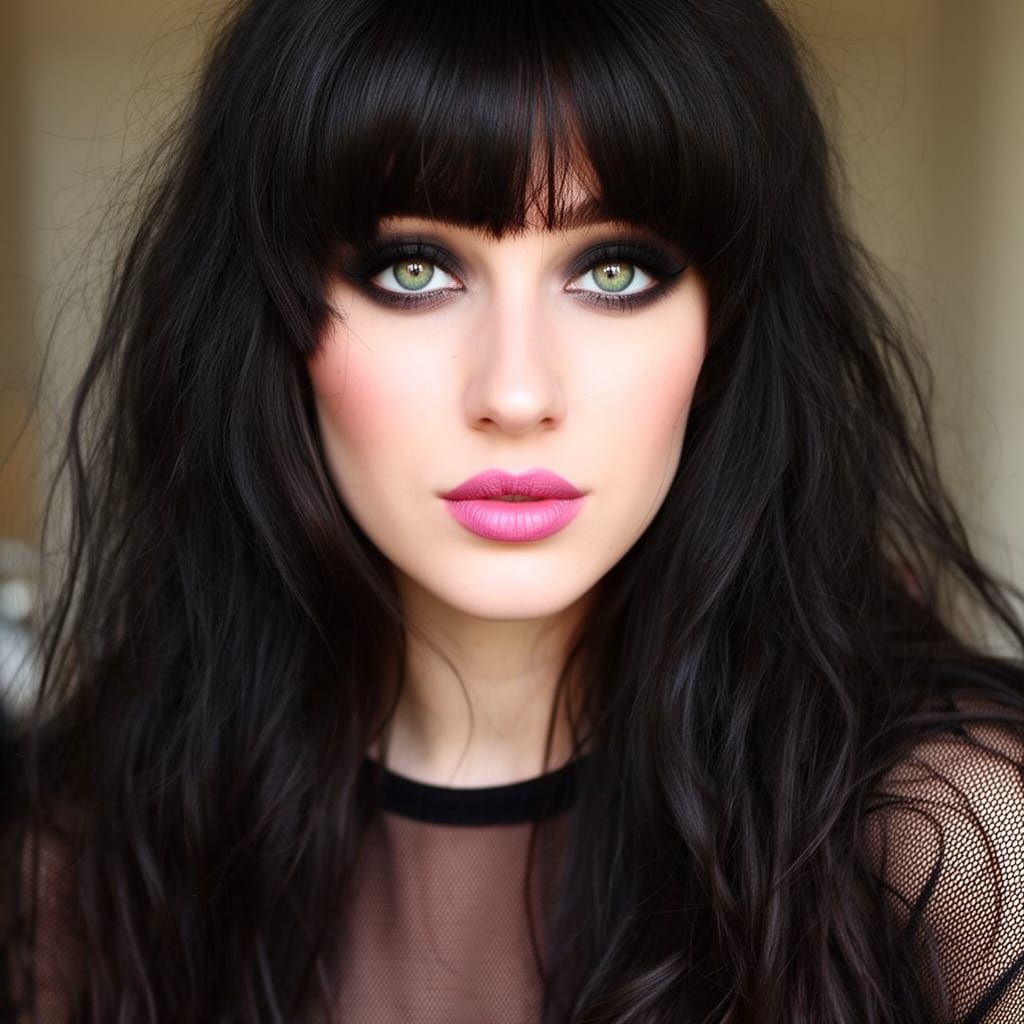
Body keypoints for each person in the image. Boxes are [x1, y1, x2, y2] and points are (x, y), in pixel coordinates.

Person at [3, 0, 1024, 1021]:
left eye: (612, 271)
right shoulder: (78, 860)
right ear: (269, 327)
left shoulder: (959, 834)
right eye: (416, 269)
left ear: (726, 329)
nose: (518, 391)